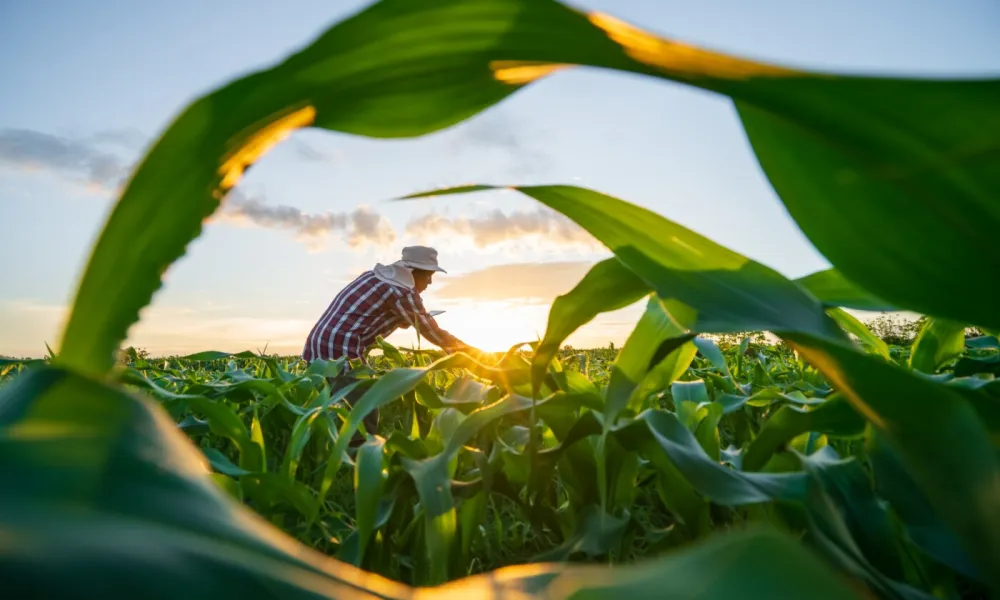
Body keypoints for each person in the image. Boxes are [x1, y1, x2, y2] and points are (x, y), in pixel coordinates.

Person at [302, 246, 478, 440]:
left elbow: (374, 314)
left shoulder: (375, 278)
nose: (429, 282)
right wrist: (472, 356)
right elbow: (432, 332)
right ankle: (357, 454)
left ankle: (325, 445)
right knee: (364, 407)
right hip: (340, 350)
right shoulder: (402, 292)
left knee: (333, 405)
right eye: (428, 275)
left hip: (319, 345)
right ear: (412, 272)